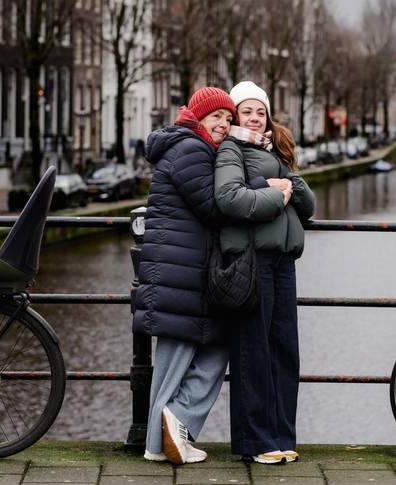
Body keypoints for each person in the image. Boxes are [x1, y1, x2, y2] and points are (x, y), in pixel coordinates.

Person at [133, 87, 237, 465]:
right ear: (198, 118)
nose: (224, 124)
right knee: (174, 363)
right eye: (217, 118)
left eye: (229, 118)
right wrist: (262, 189)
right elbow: (214, 205)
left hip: (184, 270)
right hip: (180, 272)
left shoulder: (192, 147)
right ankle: (157, 444)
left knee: (207, 351)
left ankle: (171, 431)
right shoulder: (191, 148)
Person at [214, 81, 316, 464]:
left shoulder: (274, 150)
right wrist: (270, 189)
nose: (254, 118)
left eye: (260, 111)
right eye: (246, 111)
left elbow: (308, 206)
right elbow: (228, 198)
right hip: (253, 261)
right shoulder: (231, 149)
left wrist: (287, 175)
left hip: (283, 262)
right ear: (235, 115)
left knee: (284, 350)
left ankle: (282, 435)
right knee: (252, 351)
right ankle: (255, 441)